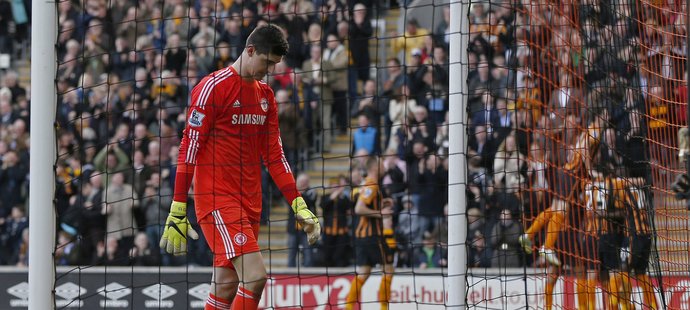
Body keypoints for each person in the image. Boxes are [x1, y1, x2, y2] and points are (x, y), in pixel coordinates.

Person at [159, 25, 321, 310]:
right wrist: (178, 206)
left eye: (274, 64)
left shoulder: (266, 96)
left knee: (225, 287)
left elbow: (275, 157)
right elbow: (189, 149)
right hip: (217, 199)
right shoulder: (212, 87)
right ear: (249, 51)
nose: (269, 69)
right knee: (256, 278)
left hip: (250, 203)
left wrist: (298, 202)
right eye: (267, 61)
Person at [345, 156, 395, 310]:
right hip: (372, 236)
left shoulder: (372, 185)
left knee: (364, 273)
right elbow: (359, 208)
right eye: (382, 164)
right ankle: (384, 308)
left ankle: (348, 307)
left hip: (362, 237)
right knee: (389, 269)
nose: (385, 167)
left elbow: (364, 203)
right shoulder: (372, 184)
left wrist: (382, 203)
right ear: (375, 168)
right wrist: (380, 213)